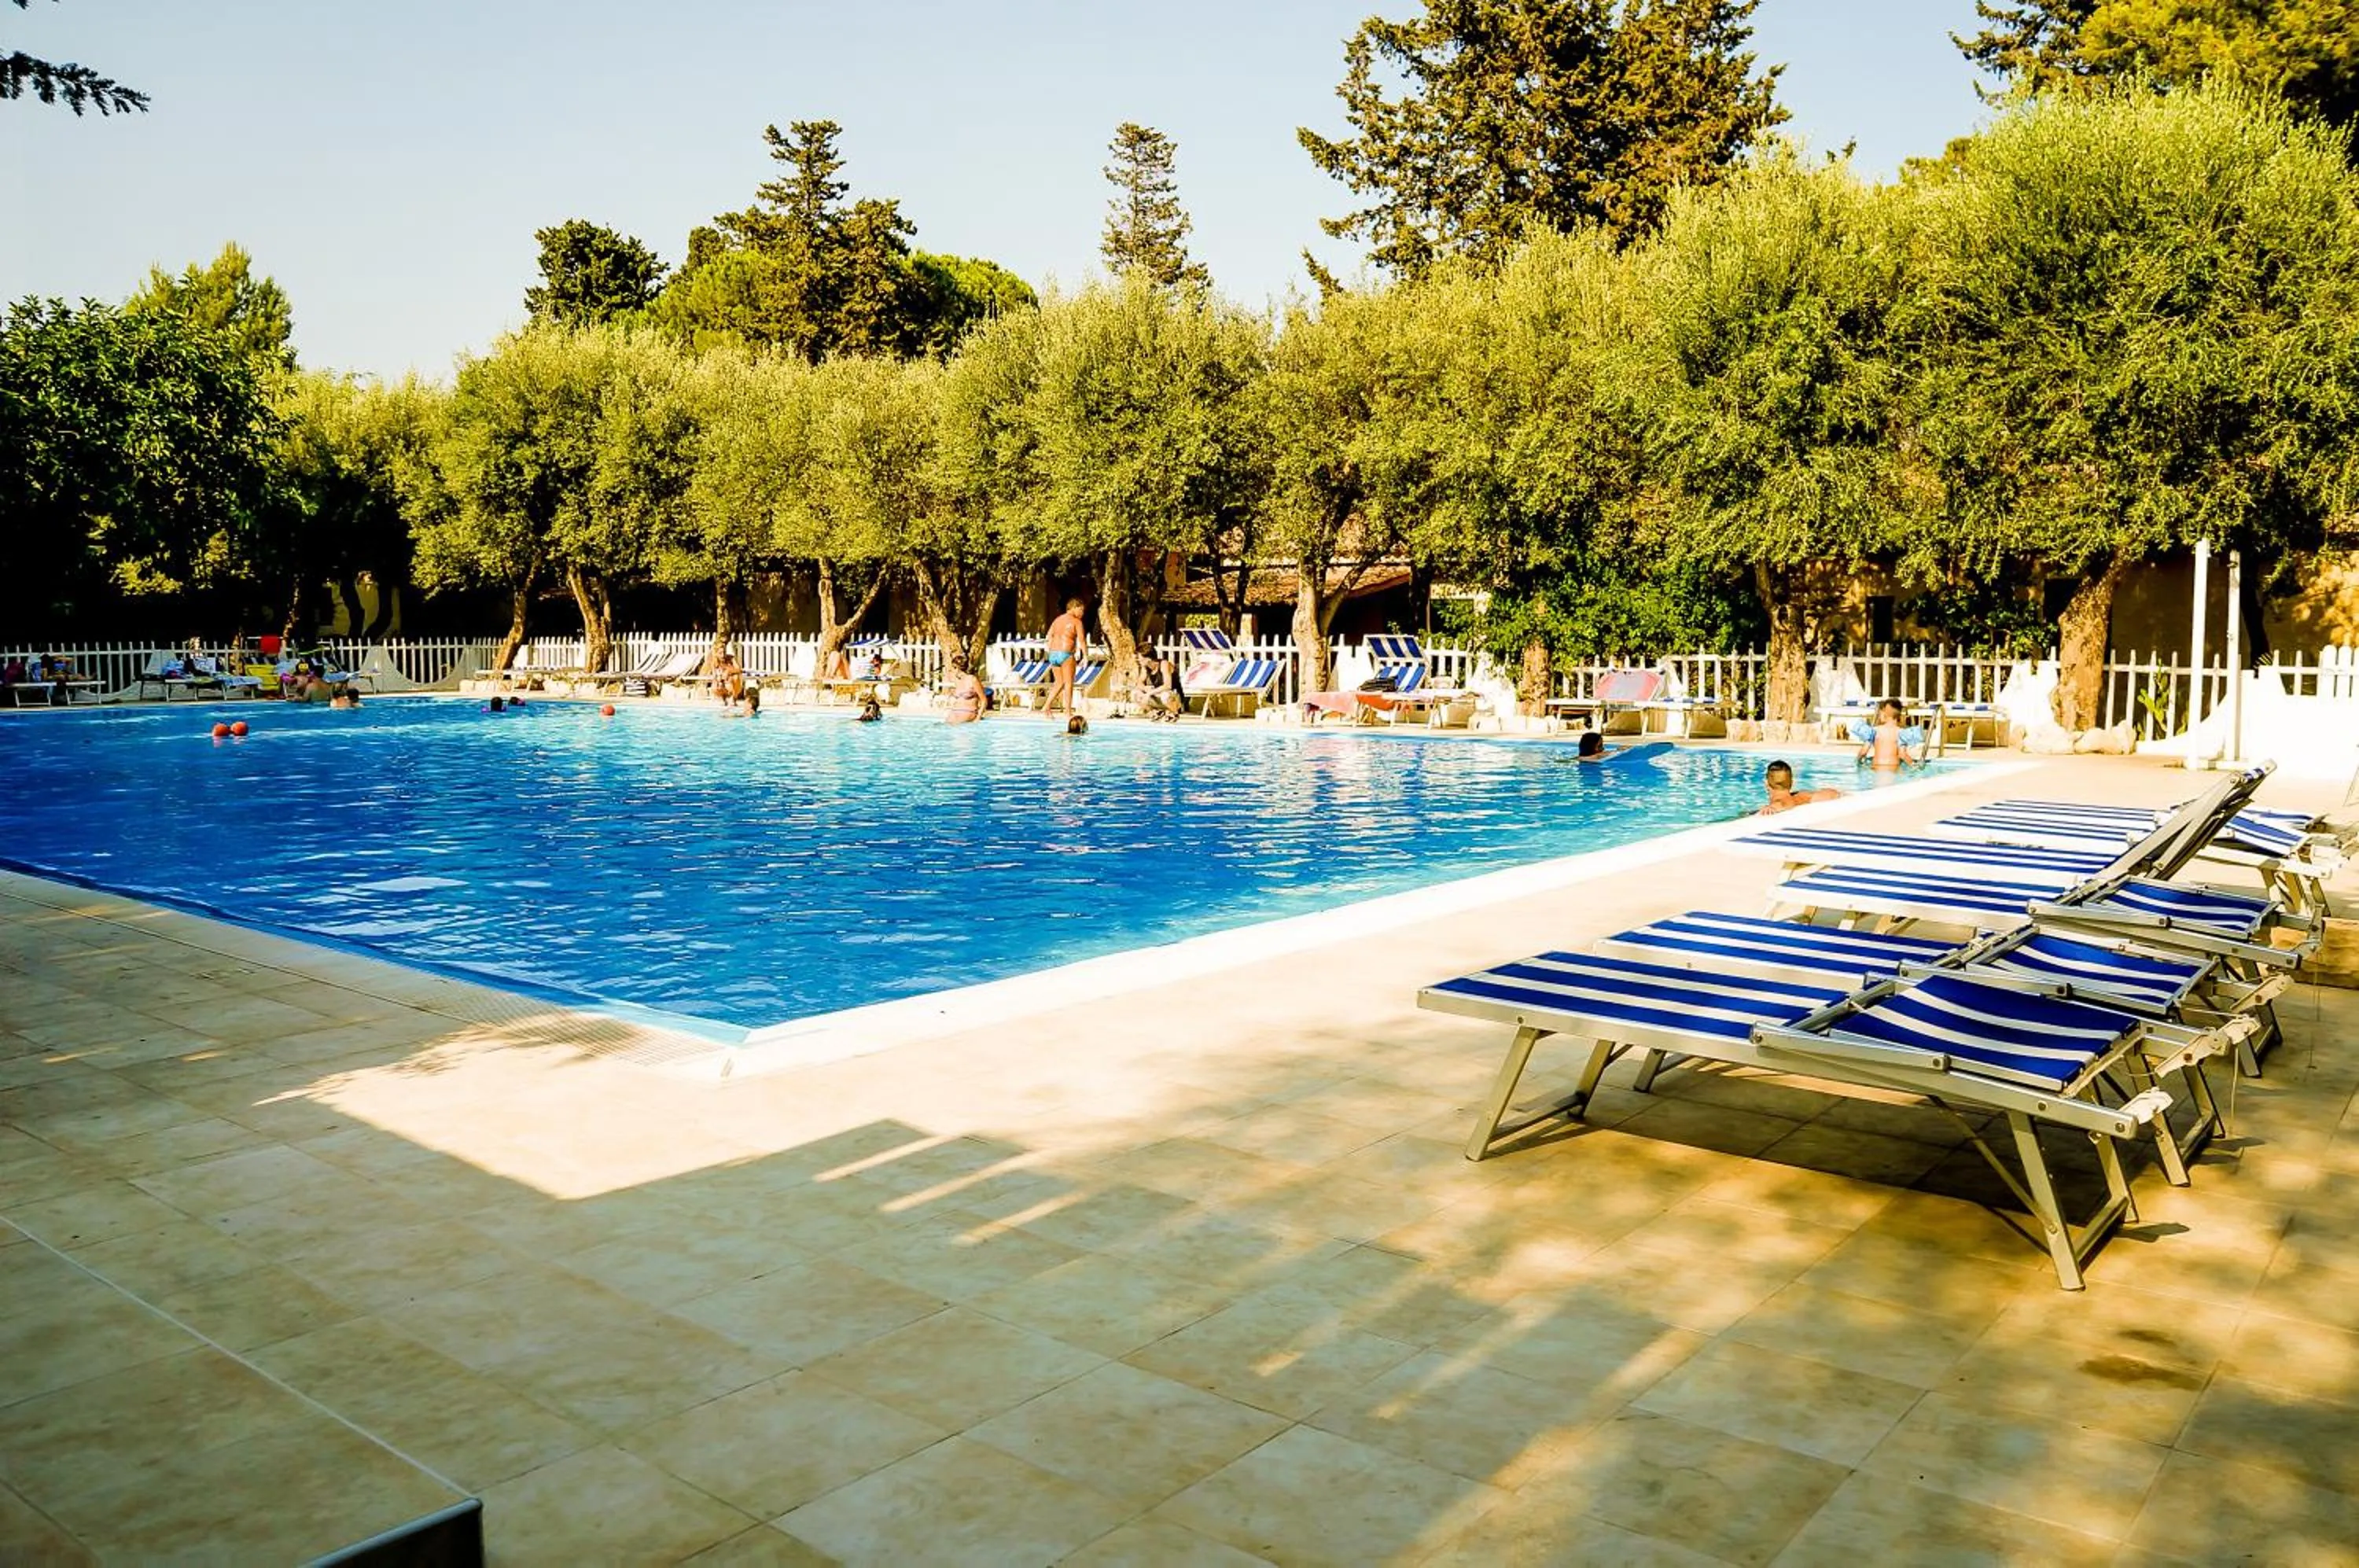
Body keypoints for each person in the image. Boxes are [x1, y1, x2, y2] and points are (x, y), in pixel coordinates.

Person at [1042, 597, 1087, 721]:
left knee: (1059, 683)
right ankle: (1067, 712)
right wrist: (1086, 656)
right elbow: (1082, 640)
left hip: (1053, 654)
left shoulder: (1057, 620)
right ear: (1074, 608)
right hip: (1066, 654)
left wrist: (1051, 647)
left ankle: (1046, 706)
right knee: (1068, 684)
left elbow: (1049, 636)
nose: (1082, 614)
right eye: (1081, 610)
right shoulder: (1076, 622)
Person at [1857, 698, 1923, 771]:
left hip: (1876, 767)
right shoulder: (1901, 733)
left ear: (1884, 714)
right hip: (1893, 767)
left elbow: (1863, 751)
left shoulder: (1874, 731)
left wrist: (1858, 762)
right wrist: (1914, 765)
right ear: (1899, 715)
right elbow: (1902, 754)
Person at [1761, 760, 1840, 815]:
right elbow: (1833, 793)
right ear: (1792, 783)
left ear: (1766, 783)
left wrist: (1770, 808)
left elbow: (1782, 805)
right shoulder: (1803, 797)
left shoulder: (1777, 804)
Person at [1140, 651, 1183, 722]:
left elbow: (1167, 686)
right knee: (1135, 694)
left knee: (1165, 695)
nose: (1138, 660)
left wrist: (1149, 693)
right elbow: (1139, 683)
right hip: (1159, 696)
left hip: (1173, 697)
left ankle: (1174, 713)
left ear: (1148, 659)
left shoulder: (1164, 664)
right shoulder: (1145, 667)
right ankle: (1157, 713)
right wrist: (1145, 688)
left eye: (1140, 658)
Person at [942, 655, 984, 724]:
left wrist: (978, 717)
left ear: (957, 668)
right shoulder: (957, 680)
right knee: (939, 727)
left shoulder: (972, 680)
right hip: (955, 710)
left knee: (956, 727)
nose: (951, 670)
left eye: (952, 668)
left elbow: (984, 700)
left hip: (968, 711)